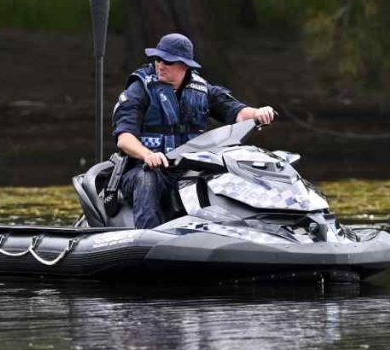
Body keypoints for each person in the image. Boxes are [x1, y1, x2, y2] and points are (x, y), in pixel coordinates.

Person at [111, 33, 276, 229]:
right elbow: (124, 137)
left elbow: (237, 112)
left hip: (188, 168)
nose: (160, 65)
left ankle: (244, 232)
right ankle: (147, 238)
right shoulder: (140, 88)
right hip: (144, 169)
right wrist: (147, 155)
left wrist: (259, 112)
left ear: (185, 65)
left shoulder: (202, 88)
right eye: (158, 59)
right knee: (147, 179)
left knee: (228, 175)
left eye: (168, 61)